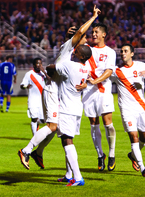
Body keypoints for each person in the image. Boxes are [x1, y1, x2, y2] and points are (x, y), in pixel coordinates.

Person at [18, 6, 100, 171]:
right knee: (53, 127)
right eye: (83, 36)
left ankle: (39, 153)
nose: (86, 38)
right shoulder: (70, 47)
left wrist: (85, 83)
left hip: (60, 92)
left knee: (58, 129)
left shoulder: (70, 52)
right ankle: (26, 151)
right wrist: (93, 17)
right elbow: (76, 36)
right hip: (52, 91)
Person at [47, 45, 92, 186]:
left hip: (67, 108)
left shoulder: (70, 66)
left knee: (67, 141)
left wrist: (47, 67)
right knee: (65, 140)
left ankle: (78, 178)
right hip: (76, 107)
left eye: (77, 51)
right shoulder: (86, 69)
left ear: (82, 56)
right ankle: (68, 174)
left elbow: (52, 67)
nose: (74, 51)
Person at [112, 43, 145, 177]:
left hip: (141, 108)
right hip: (127, 109)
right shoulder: (117, 71)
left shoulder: (141, 66)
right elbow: (104, 77)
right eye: (121, 51)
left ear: (132, 54)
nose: (122, 53)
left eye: (125, 51)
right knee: (134, 137)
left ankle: (132, 155)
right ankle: (143, 169)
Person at [84, 22, 117, 171]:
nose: (94, 34)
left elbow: (109, 71)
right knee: (93, 123)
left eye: (96, 32)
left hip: (103, 90)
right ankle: (100, 155)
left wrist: (96, 81)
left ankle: (111, 154)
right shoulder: (87, 51)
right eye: (92, 32)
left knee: (107, 123)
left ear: (104, 34)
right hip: (88, 92)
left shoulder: (110, 52)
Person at [20, 58, 46, 136]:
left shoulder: (43, 74)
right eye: (38, 63)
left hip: (42, 100)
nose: (39, 65)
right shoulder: (29, 74)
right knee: (34, 118)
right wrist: (26, 86)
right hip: (33, 100)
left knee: (42, 120)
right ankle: (35, 136)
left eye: (40, 63)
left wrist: (44, 71)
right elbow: (22, 85)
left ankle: (37, 129)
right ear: (34, 65)